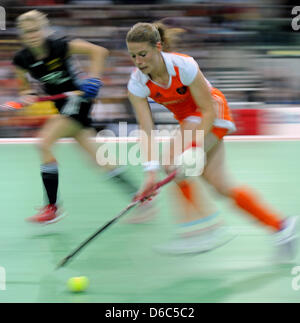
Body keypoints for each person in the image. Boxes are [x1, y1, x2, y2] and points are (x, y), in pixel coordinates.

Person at [126, 21, 298, 258]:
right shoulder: (137, 83)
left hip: (212, 112)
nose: (138, 61)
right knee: (220, 185)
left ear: (158, 47)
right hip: (192, 120)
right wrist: (149, 174)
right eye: (133, 56)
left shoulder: (183, 66)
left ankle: (199, 228)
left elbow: (207, 110)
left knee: (173, 161)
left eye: (143, 54)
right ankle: (281, 226)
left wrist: (194, 149)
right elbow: (146, 130)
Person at [13, 10, 137, 224]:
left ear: (43, 30)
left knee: (44, 143)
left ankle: (52, 207)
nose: (32, 35)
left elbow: (99, 51)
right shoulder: (21, 59)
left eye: (35, 30)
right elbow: (25, 89)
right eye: (27, 32)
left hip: (79, 101)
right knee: (99, 159)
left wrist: (94, 80)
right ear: (22, 35)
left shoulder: (60, 46)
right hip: (61, 106)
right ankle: (141, 197)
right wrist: (27, 96)